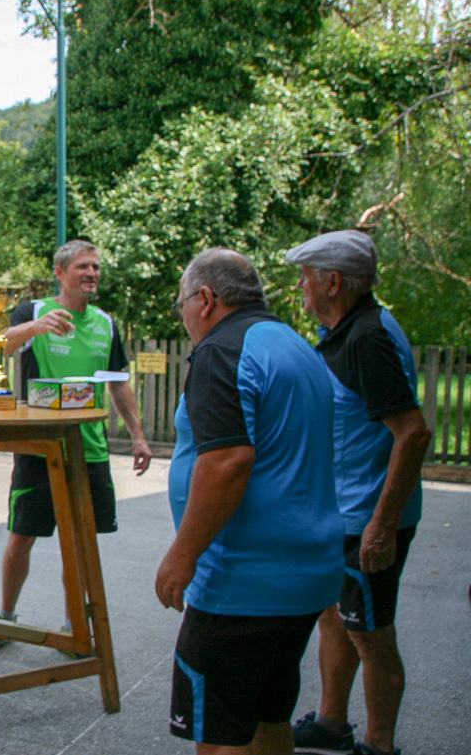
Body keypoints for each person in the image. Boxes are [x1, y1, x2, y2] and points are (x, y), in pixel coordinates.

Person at [156, 248, 344, 755]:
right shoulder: (295, 344)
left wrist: (182, 556)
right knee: (268, 717)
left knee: (220, 738)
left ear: (205, 299)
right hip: (305, 574)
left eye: (182, 305)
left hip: (242, 583)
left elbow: (227, 462)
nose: (185, 318)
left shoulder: (221, 350)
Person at [0, 239, 153, 654]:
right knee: (21, 537)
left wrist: (138, 436)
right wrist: (35, 328)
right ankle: (4, 619)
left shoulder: (105, 323)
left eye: (96, 267)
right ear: (60, 272)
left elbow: (118, 383)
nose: (92, 274)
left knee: (81, 543)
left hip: (89, 451)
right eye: (83, 266)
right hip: (39, 449)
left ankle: (74, 630)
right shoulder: (32, 312)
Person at [286, 230, 432, 755]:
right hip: (344, 512)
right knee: (337, 618)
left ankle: (379, 745)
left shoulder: (368, 337)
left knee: (371, 634)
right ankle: (331, 723)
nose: (300, 286)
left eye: (306, 277)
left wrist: (382, 526)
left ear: (334, 283)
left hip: (367, 516)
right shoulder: (351, 329)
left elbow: (412, 433)